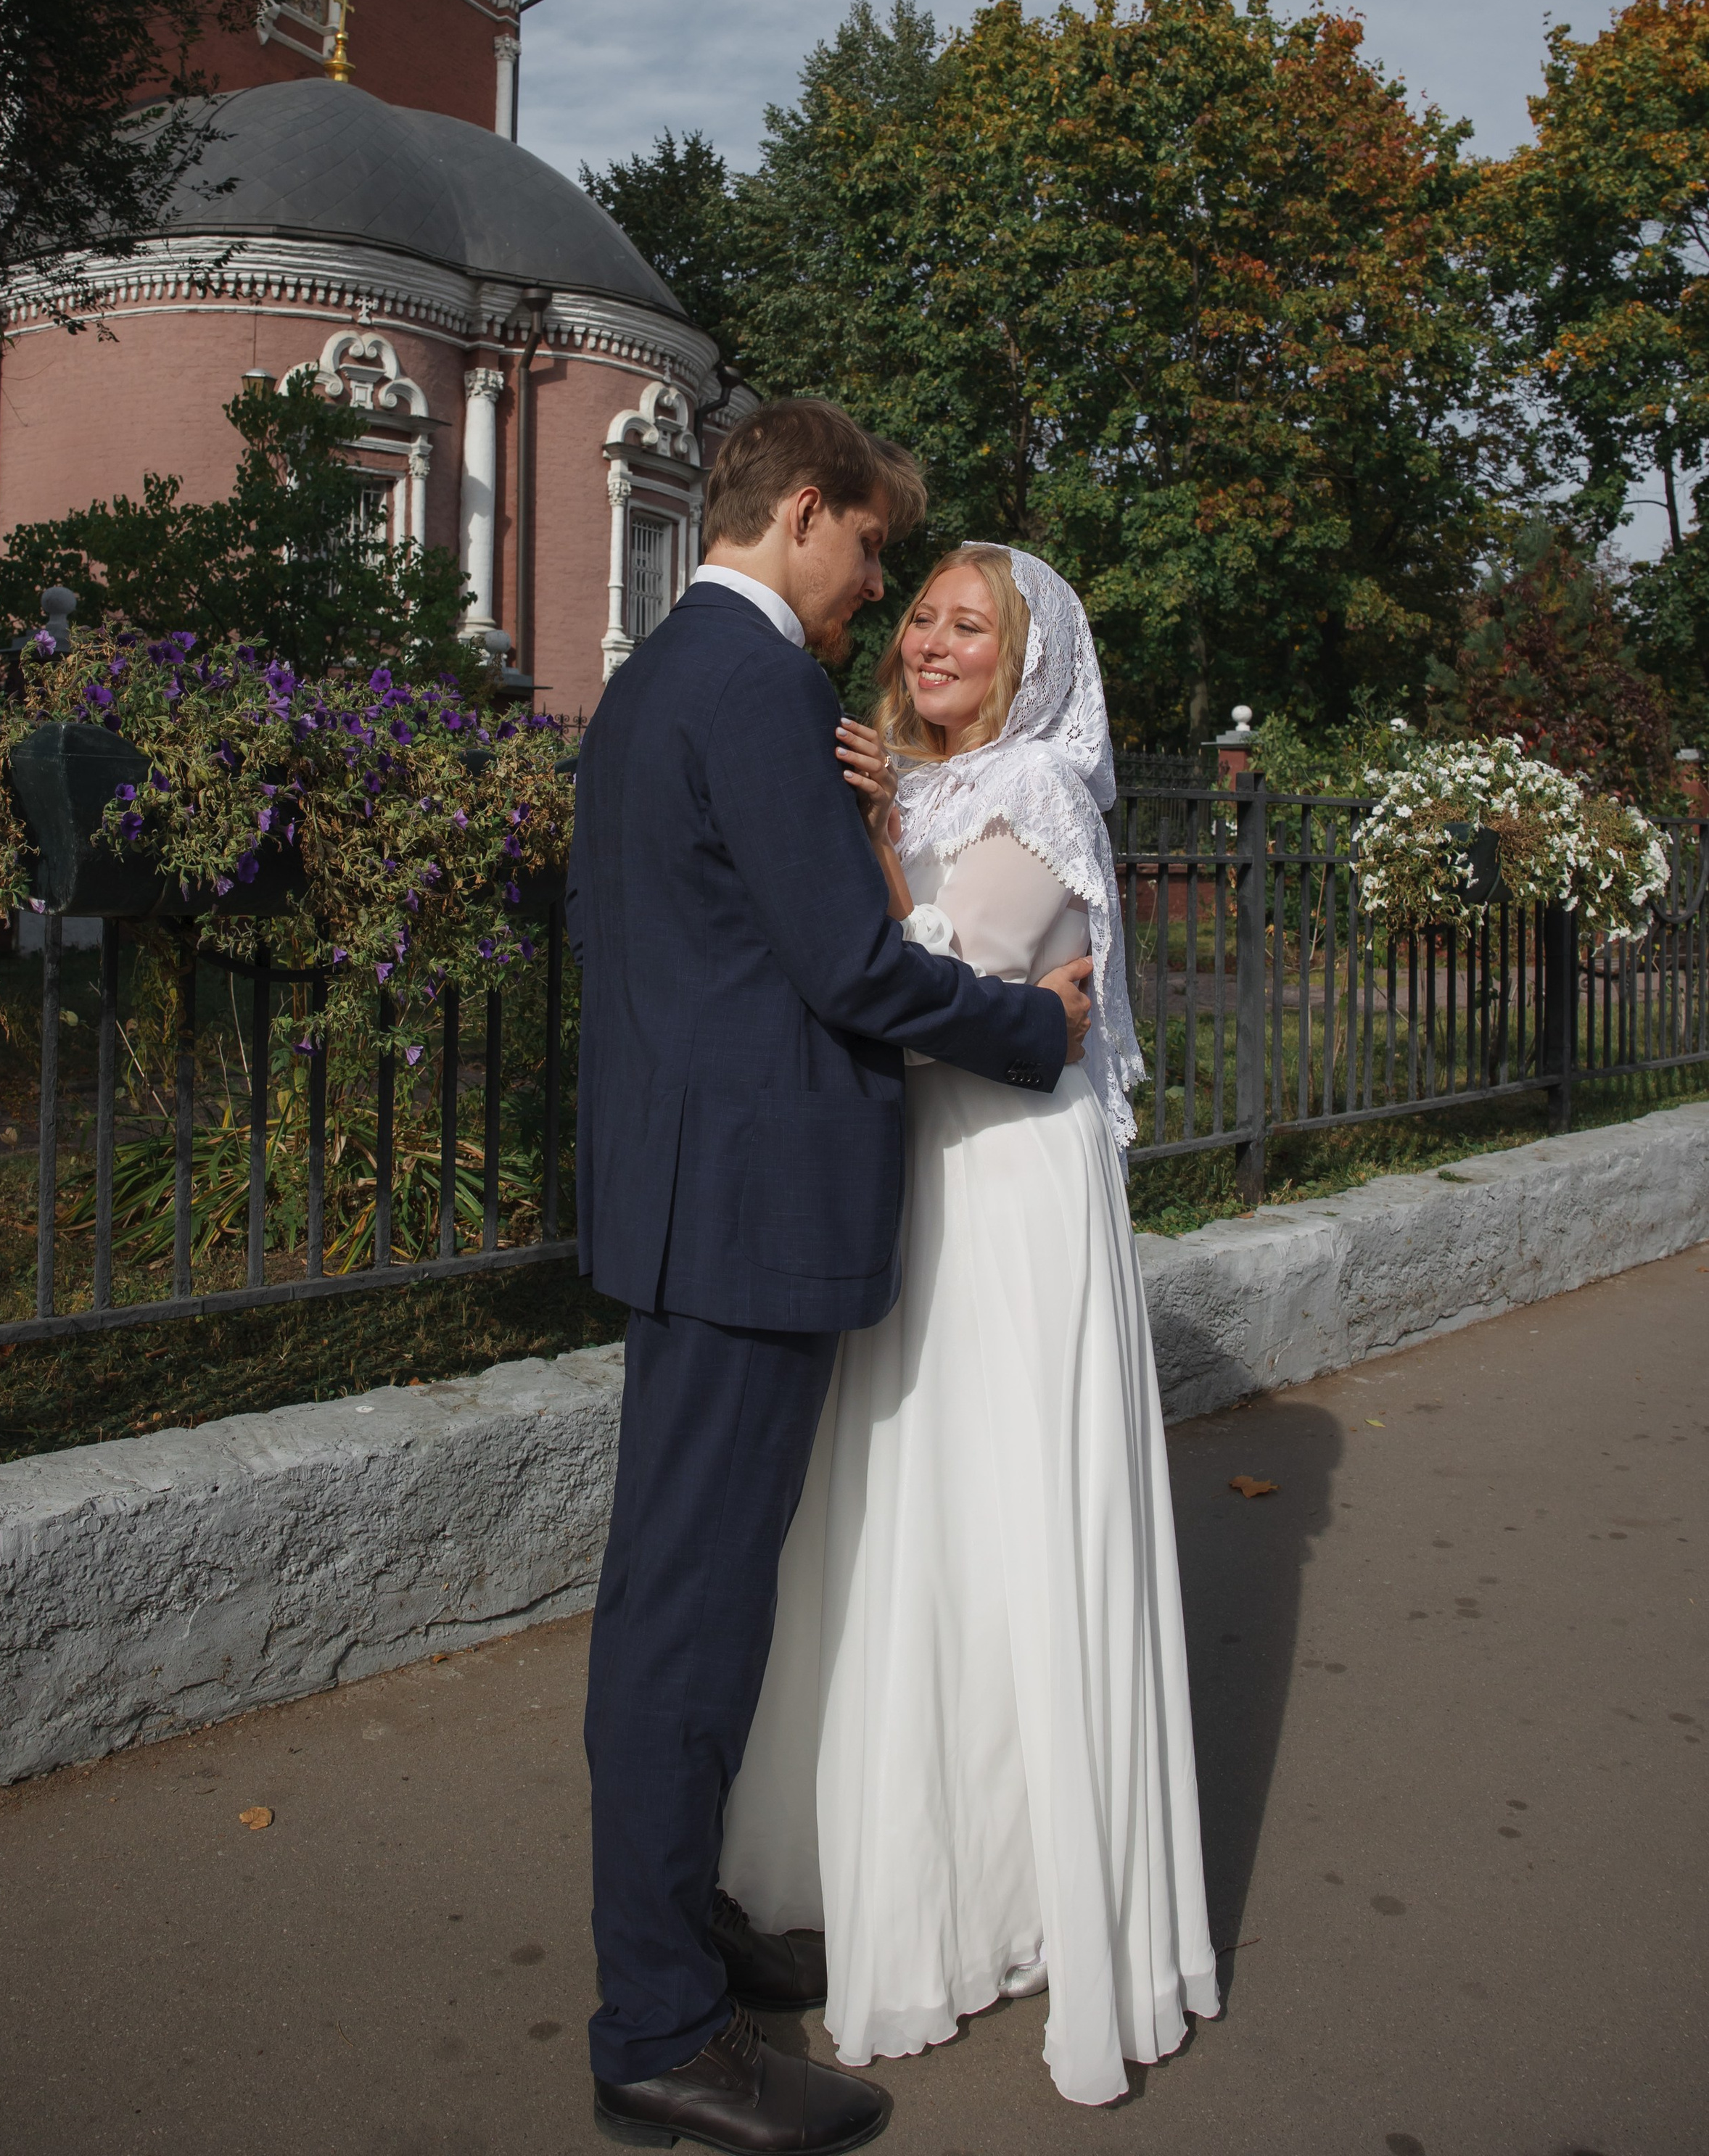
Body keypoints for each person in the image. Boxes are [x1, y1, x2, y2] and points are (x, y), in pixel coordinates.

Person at [567, 406, 1098, 2154]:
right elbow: (856, 972)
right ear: (805, 512)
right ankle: (659, 2028)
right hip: (743, 1215)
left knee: (688, 1597)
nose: (876, 591)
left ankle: (683, 1930)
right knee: (689, 1615)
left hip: (687, 1196)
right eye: (870, 550)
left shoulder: (660, 673)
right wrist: (1031, 1027)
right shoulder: (760, 687)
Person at [720, 544, 1219, 2110]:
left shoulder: (1035, 793)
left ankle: (1006, 1893)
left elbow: (937, 987)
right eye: (922, 616)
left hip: (1002, 1195)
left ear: (1028, 662)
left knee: (997, 1517)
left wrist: (877, 853)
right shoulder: (911, 786)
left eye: (971, 626)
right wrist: (879, 831)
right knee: (898, 1518)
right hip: (919, 1185)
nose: (932, 642)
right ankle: (880, 1862)